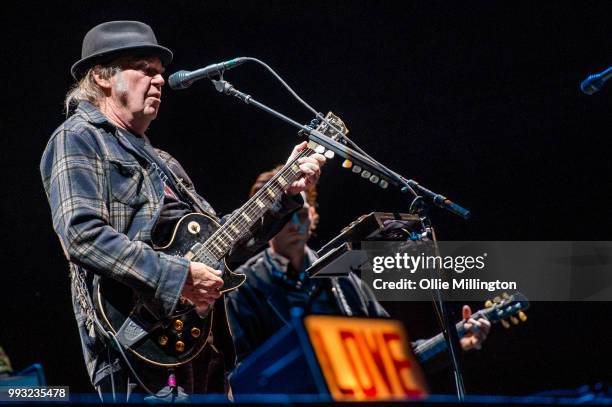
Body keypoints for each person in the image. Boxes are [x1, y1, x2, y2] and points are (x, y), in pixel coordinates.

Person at [39, 21, 325, 401]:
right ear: (102, 77)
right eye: (144, 69)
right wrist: (178, 277)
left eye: (160, 72)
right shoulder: (78, 138)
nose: (158, 81)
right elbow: (82, 234)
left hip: (204, 349)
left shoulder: (165, 163)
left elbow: (223, 243)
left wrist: (284, 195)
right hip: (138, 348)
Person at [226, 166, 491, 368]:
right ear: (262, 223)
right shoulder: (244, 285)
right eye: (284, 216)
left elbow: (393, 350)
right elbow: (247, 372)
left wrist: (457, 343)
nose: (294, 224)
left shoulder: (342, 276)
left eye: (302, 214)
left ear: (314, 217)